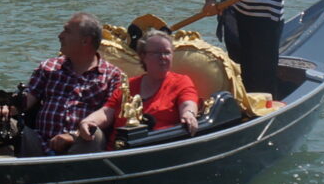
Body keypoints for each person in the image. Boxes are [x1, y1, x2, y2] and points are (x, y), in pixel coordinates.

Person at [16, 13, 128, 155]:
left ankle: (74, 173)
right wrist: (6, 108)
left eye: (67, 31)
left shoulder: (112, 75)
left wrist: (73, 136)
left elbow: (108, 114)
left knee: (95, 134)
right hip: (38, 143)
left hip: (81, 144)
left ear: (85, 41)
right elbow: (27, 99)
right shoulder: (49, 67)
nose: (60, 36)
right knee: (4, 125)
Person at [73, 29, 201, 148]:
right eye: (157, 53)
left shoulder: (181, 82)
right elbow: (107, 112)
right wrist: (88, 121)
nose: (163, 57)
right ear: (143, 56)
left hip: (157, 148)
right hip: (118, 149)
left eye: (167, 52)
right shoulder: (129, 85)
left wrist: (189, 114)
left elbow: (188, 103)